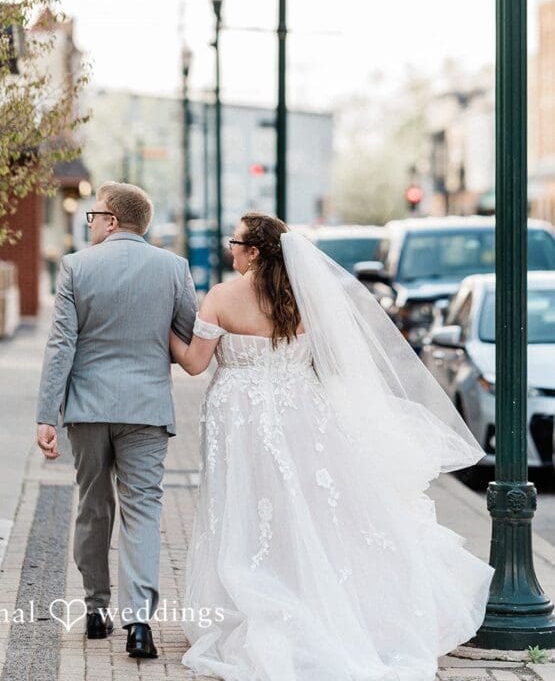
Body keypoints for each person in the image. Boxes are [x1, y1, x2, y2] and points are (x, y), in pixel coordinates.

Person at [169, 211, 494, 681]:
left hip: (238, 422)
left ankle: (267, 595)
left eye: (235, 242)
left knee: (249, 509)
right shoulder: (305, 299)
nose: (230, 249)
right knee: (309, 508)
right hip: (302, 415)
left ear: (254, 251)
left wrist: (166, 332)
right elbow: (333, 366)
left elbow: (196, 365)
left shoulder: (220, 297)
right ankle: (312, 593)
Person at [36, 181, 197, 658]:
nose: (91, 224)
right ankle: (140, 624)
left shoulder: (76, 267)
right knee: (142, 511)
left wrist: (47, 414)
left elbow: (62, 344)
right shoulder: (173, 268)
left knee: (93, 505)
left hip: (87, 409)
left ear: (111, 220)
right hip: (147, 409)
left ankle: (95, 609)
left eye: (93, 216)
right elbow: (186, 333)